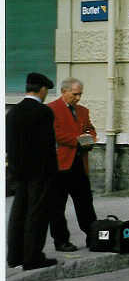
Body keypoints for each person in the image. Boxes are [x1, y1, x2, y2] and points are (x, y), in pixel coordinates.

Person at [6, 72, 59, 270]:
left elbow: (10, 146)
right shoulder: (43, 112)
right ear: (43, 89)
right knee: (36, 214)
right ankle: (32, 257)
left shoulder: (13, 112)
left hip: (18, 172)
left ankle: (14, 256)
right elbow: (47, 146)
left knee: (18, 213)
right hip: (40, 173)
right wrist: (52, 173)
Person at [48, 77, 98, 252]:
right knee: (57, 206)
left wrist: (90, 137)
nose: (78, 98)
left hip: (78, 163)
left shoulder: (82, 111)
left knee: (85, 202)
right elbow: (56, 134)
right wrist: (80, 141)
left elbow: (90, 129)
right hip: (61, 164)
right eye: (75, 94)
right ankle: (61, 240)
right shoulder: (52, 109)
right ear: (64, 91)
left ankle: (93, 236)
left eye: (80, 94)